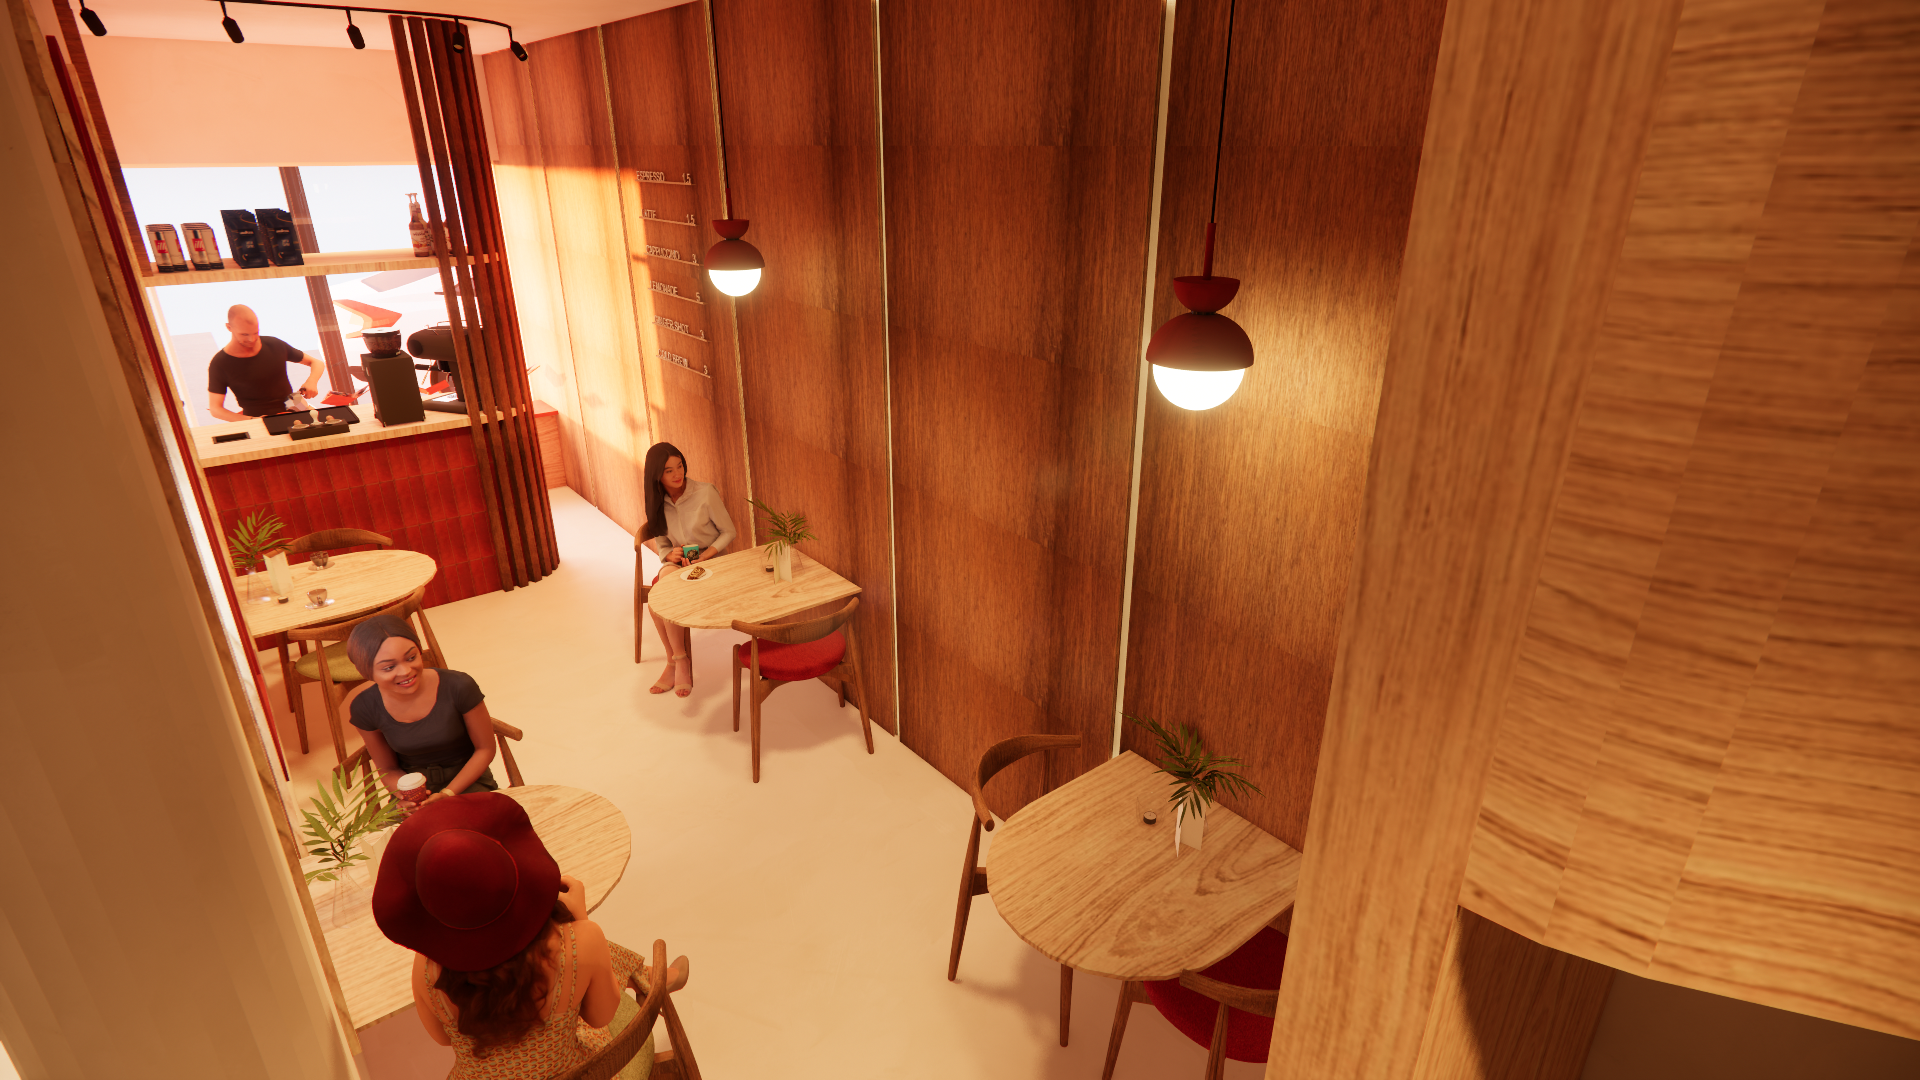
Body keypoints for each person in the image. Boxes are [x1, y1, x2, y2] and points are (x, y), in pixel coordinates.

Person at [373, 793, 654, 1078]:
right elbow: (601, 1017)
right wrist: (580, 920)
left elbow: (443, 1039)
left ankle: (649, 973)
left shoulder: (425, 970)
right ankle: (649, 975)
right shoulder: (581, 941)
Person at [343, 614, 499, 803]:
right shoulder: (365, 707)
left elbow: (485, 749)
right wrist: (405, 797)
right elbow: (388, 769)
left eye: (411, 657)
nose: (405, 671)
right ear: (366, 671)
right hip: (412, 789)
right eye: (389, 667)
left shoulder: (459, 686)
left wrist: (448, 793)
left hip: (468, 781)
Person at [638, 441, 737, 698]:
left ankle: (676, 663)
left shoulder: (705, 493)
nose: (677, 474)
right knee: (660, 594)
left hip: (712, 562)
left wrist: (706, 556)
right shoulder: (657, 500)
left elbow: (729, 532)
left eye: (679, 466)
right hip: (678, 565)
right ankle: (678, 660)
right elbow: (661, 542)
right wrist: (667, 554)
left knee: (662, 595)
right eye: (669, 470)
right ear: (657, 475)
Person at [207, 303, 323, 421]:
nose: (252, 339)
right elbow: (215, 409)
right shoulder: (219, 363)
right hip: (258, 417)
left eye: (255, 333)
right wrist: (252, 421)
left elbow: (317, 362)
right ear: (229, 327)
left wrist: (311, 382)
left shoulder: (274, 344)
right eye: (244, 334)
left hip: (295, 404)